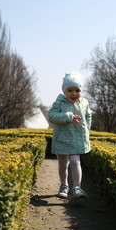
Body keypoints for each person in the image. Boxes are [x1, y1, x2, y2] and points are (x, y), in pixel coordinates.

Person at [48, 72, 92, 200]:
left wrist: (86, 129)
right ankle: (64, 186)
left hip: (77, 139)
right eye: (70, 90)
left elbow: (89, 115)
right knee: (63, 164)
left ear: (81, 91)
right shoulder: (59, 103)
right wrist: (68, 116)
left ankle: (77, 187)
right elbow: (52, 116)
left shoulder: (84, 103)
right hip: (62, 138)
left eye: (77, 90)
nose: (74, 93)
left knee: (75, 161)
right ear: (64, 91)